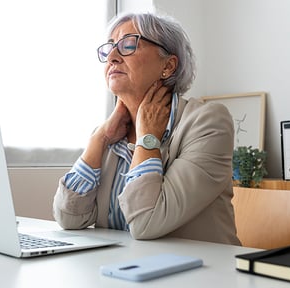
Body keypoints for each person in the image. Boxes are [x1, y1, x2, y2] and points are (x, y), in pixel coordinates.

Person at [53, 12, 240, 245]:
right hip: (122, 273)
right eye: (109, 48)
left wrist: (147, 138)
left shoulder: (208, 122)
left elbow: (147, 223)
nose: (112, 56)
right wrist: (98, 140)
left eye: (128, 45)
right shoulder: (108, 134)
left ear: (168, 65)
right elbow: (68, 217)